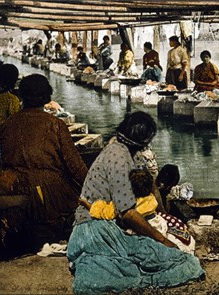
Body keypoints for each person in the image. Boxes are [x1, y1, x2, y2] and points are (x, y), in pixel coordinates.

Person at [68, 111, 204, 294]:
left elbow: (150, 189)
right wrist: (162, 239)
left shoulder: (127, 151)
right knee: (183, 262)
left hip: (106, 225)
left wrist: (163, 216)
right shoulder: (118, 156)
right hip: (95, 229)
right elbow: (128, 213)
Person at [0, 74, 88, 248]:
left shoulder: (8, 124)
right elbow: (75, 167)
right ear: (46, 97)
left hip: (17, 190)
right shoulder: (55, 124)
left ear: (22, 97)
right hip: (50, 195)